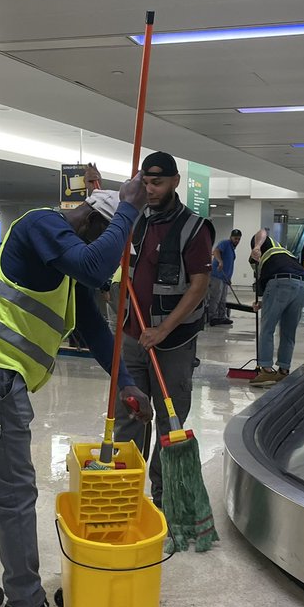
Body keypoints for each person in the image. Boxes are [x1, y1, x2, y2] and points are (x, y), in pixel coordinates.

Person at [0, 166, 153, 607]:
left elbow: (96, 330)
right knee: (16, 492)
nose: (112, 267)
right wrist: (130, 208)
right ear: (93, 226)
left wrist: (126, 384)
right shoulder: (40, 225)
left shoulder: (66, 265)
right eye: (112, 246)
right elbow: (95, 266)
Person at [115, 152, 213, 509]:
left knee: (170, 421)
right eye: (145, 183)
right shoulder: (134, 220)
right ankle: (125, 492)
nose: (150, 189)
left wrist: (162, 329)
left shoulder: (193, 227)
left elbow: (199, 286)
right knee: (129, 414)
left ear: (174, 182)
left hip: (173, 342)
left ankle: (164, 498)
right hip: (132, 336)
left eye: (157, 182)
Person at [249, 230, 304, 387]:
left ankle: (266, 371)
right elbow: (268, 286)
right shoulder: (285, 254)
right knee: (289, 332)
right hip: (302, 285)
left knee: (267, 329)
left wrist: (256, 247)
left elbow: (262, 231)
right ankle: (284, 370)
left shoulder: (264, 248)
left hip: (279, 283)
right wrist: (262, 302)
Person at [206, 228, 242, 326]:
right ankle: (212, 317)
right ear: (231, 237)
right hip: (217, 276)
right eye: (235, 238)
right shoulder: (225, 243)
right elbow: (216, 251)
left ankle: (222, 317)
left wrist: (229, 278)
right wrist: (220, 261)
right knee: (215, 297)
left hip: (225, 278)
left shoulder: (232, 248)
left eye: (238, 239)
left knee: (223, 299)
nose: (237, 241)